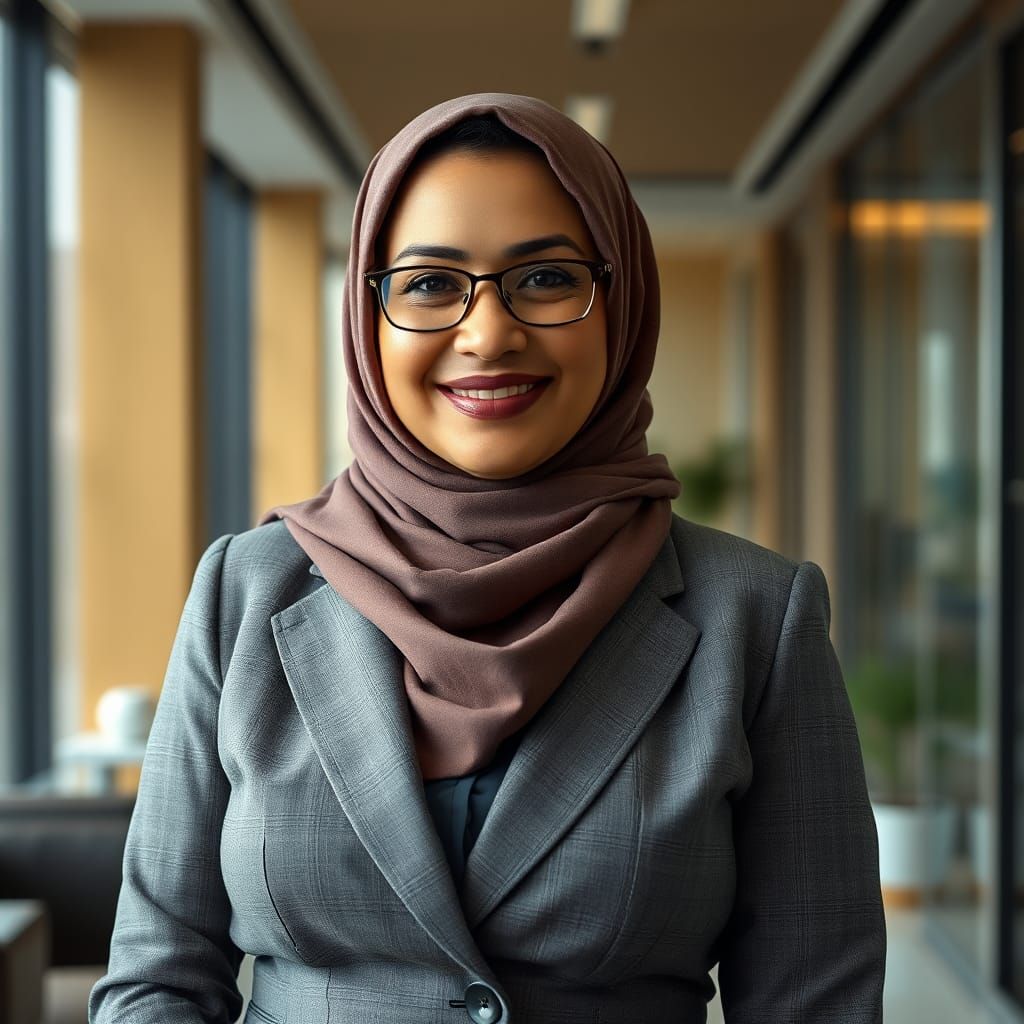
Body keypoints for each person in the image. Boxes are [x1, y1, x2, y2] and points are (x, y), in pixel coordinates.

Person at [89, 93, 886, 1024]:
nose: (488, 333)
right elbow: (157, 976)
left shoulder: (754, 615)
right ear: (367, 317)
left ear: (621, 304)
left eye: (545, 277)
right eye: (430, 283)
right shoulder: (246, 590)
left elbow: (814, 1002)